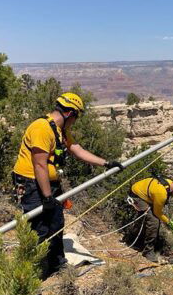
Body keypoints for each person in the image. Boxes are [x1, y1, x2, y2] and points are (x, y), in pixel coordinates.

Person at [12, 92, 124, 276]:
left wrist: (106, 163)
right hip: (31, 183)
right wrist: (47, 197)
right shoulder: (42, 128)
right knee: (39, 228)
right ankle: (33, 273)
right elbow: (39, 165)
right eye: (76, 117)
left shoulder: (59, 129)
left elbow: (75, 149)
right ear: (70, 114)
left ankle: (57, 265)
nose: (75, 121)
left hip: (49, 183)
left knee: (56, 223)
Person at [128, 176, 173, 262]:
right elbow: (157, 213)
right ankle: (148, 251)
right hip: (137, 196)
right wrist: (168, 222)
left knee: (148, 218)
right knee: (154, 221)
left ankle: (136, 238)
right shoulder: (161, 193)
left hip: (146, 193)